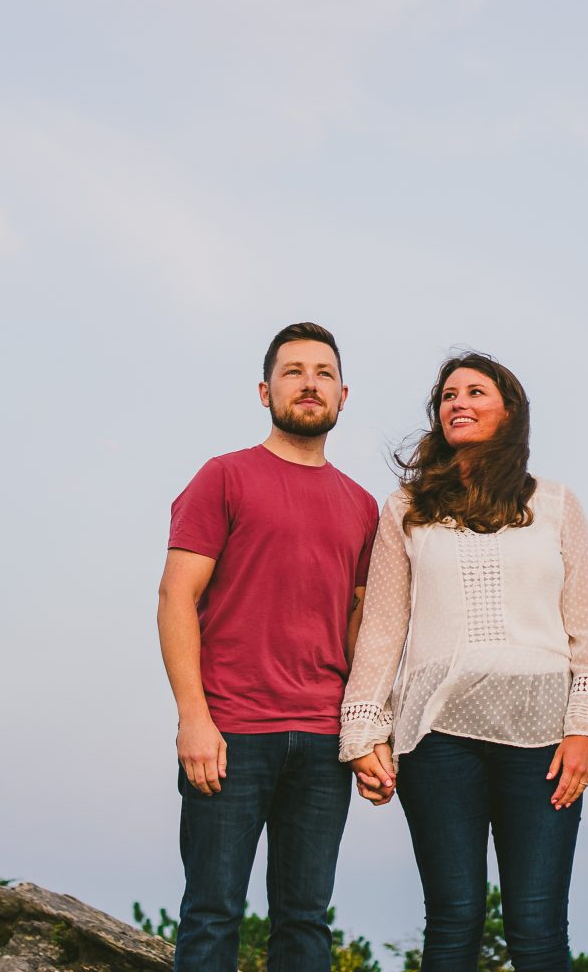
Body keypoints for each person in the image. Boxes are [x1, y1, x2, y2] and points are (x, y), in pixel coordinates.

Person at [340, 352, 588, 972]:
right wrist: (363, 731)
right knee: (453, 920)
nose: (457, 402)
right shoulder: (405, 509)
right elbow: (382, 631)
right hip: (436, 741)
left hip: (543, 740)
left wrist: (584, 729)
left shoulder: (557, 504)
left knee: (538, 927)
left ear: (509, 410)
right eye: (447, 395)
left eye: (475, 392)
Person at [158, 322, 381, 972]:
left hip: (322, 741)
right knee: (212, 913)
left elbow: (359, 627)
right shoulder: (223, 477)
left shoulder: (363, 507)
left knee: (305, 924)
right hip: (230, 735)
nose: (309, 383)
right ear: (265, 391)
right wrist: (193, 719)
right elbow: (176, 599)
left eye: (322, 373)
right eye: (293, 371)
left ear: (343, 394)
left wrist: (367, 730)